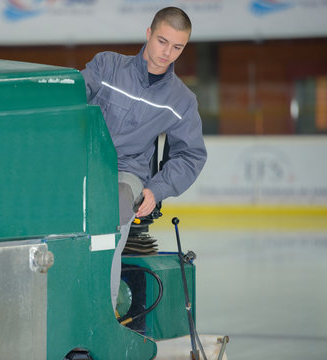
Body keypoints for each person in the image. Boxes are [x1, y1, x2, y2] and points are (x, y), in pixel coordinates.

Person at [81, 6, 207, 309]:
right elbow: (70, 102)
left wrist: (157, 189)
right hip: (84, 164)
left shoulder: (182, 101)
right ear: (149, 34)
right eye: (163, 41)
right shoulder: (107, 66)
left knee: (117, 204)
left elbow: (190, 155)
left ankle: (103, 312)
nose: (168, 52)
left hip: (127, 173)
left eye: (178, 47)